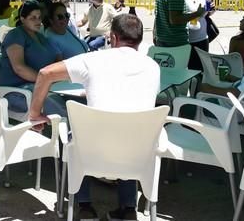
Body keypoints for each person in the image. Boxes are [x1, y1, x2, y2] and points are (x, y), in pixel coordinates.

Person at [29, 14, 160, 221]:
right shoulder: (153, 67)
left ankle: (85, 207)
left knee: (77, 132)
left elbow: (45, 74)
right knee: (131, 128)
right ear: (140, 40)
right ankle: (127, 209)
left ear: (113, 38)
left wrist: (35, 114)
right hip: (138, 157)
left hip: (92, 154)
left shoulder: (94, 60)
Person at [0, 0, 63, 115]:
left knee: (73, 100)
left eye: (39, 17)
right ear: (22, 19)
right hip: (16, 91)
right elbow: (19, 68)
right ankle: (72, 130)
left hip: (39, 87)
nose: (38, 21)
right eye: (33, 18)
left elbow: (56, 56)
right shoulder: (16, 35)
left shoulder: (41, 37)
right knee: (58, 107)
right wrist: (46, 80)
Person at [184, 0, 214, 70]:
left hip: (201, 38)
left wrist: (211, 9)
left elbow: (209, 12)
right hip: (183, 40)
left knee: (199, 73)